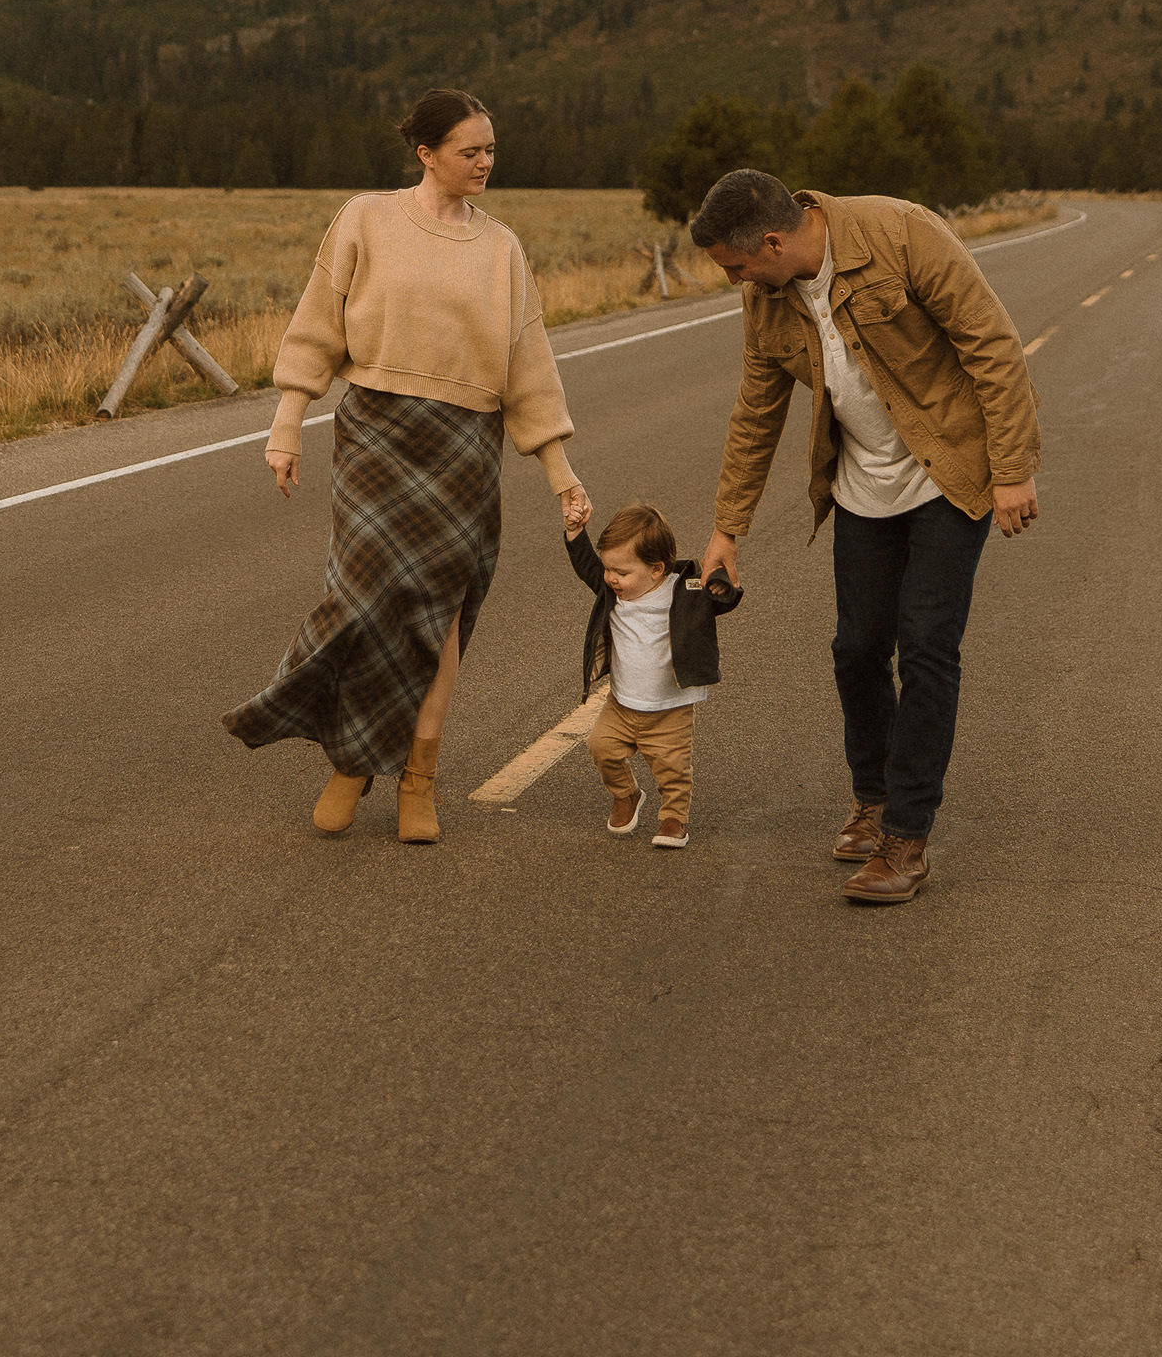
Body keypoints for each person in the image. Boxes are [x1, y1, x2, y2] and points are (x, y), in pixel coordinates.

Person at [224, 90, 595, 843]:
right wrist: (287, 424)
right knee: (362, 600)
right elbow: (317, 325)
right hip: (375, 431)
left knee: (439, 615)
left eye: (492, 149)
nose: (486, 162)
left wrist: (562, 474)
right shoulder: (366, 218)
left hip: (464, 445)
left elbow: (529, 368)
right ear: (426, 153)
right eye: (470, 150)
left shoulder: (502, 250)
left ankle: (418, 777)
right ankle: (354, 764)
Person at [687, 169, 1042, 905]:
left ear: (775, 241)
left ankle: (907, 838)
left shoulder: (901, 233)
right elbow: (757, 412)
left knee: (926, 646)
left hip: (949, 471)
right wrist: (727, 530)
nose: (736, 280)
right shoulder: (767, 297)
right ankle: (873, 798)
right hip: (862, 486)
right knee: (856, 648)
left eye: (737, 265)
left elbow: (993, 346)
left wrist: (1012, 468)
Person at [566, 502, 742, 849]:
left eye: (622, 572)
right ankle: (627, 794)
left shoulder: (686, 589)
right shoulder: (612, 593)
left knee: (672, 767)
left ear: (657, 569)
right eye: (608, 569)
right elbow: (587, 565)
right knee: (600, 747)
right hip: (621, 704)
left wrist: (723, 590)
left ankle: (673, 818)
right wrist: (574, 532)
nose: (612, 578)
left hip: (670, 707)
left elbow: (721, 597)